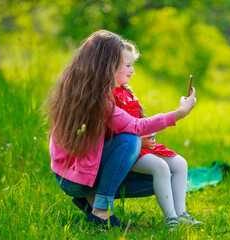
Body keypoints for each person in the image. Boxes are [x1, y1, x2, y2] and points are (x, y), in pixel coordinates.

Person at [44, 30, 197, 229]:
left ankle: (91, 201)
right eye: (124, 65)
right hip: (76, 177)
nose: (130, 70)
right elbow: (133, 128)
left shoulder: (90, 88)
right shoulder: (96, 98)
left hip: (82, 172)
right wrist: (179, 113)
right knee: (131, 141)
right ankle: (100, 211)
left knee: (163, 176)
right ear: (106, 66)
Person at [112, 41, 203, 229]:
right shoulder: (109, 96)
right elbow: (113, 132)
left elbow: (138, 122)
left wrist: (148, 134)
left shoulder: (126, 92)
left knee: (180, 163)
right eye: (128, 65)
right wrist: (139, 140)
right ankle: (171, 220)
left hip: (141, 145)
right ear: (111, 66)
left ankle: (181, 213)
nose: (132, 70)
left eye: (133, 65)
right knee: (160, 167)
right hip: (125, 150)